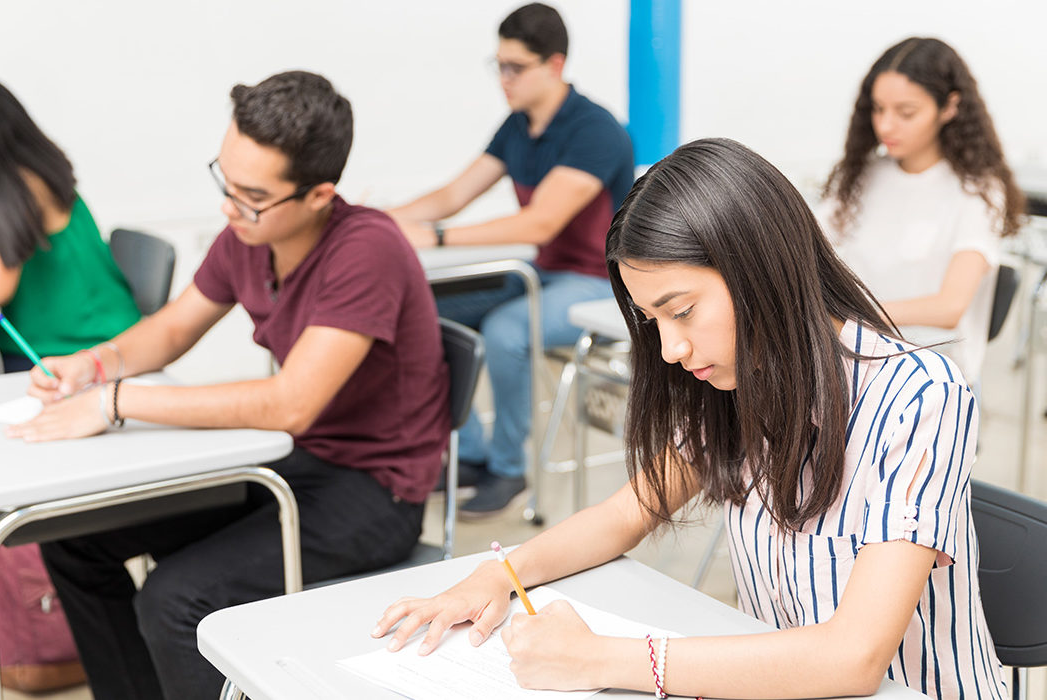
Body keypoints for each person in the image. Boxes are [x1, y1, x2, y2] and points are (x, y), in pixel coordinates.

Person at [372, 139, 1008, 700]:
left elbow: (854, 658)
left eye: (683, 312)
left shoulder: (917, 394)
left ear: (758, 269)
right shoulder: (736, 382)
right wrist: (498, 574)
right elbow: (627, 513)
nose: (671, 351)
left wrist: (601, 659)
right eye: (654, 323)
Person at [10, 71, 451, 700]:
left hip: (374, 494)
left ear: (320, 194)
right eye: (225, 180)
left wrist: (115, 402)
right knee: (76, 545)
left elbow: (290, 404)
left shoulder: (366, 250)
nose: (228, 206)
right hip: (287, 464)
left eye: (251, 195)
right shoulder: (250, 233)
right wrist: (96, 364)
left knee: (175, 598)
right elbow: (171, 330)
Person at [386, 2, 634, 518]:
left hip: (598, 283)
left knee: (505, 329)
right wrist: (376, 221)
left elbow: (538, 224)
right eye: (498, 65)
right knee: (426, 311)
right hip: (545, 274)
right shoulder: (517, 126)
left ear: (555, 65)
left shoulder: (595, 130)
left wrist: (432, 237)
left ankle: (508, 468)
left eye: (515, 68)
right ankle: (471, 453)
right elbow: (454, 193)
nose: (504, 79)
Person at [820, 37, 1024, 386]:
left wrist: (841, 317)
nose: (885, 126)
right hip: (852, 363)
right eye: (878, 109)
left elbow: (949, 307)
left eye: (906, 112)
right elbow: (805, 244)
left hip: (928, 377)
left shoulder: (976, 190)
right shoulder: (861, 177)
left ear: (949, 107)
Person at [0, 71, 140, 381]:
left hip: (68, 350)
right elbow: (10, 252)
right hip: (96, 334)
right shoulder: (36, 171)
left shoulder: (13, 195)